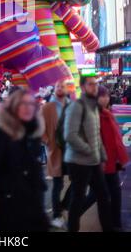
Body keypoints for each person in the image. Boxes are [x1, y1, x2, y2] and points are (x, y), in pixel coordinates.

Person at [0, 87, 49, 232]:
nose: (27, 108)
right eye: (22, 104)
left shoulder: (33, 134)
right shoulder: (2, 133)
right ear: (14, 106)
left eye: (30, 104)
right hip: (7, 206)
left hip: (34, 206)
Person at [64, 76, 112, 232]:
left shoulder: (93, 108)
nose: (95, 87)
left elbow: (96, 135)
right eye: (91, 85)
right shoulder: (76, 106)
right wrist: (90, 151)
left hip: (93, 161)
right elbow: (70, 135)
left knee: (103, 196)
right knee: (78, 199)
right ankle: (72, 228)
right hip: (78, 162)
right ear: (83, 87)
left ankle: (108, 227)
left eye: (95, 85)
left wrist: (102, 156)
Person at [82, 85, 129, 230]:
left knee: (113, 194)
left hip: (111, 163)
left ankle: (116, 225)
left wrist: (119, 159)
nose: (106, 98)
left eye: (107, 95)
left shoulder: (108, 114)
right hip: (99, 164)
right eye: (102, 95)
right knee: (100, 196)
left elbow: (115, 140)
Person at [42, 80, 71, 228]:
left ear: (67, 89)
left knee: (79, 180)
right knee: (57, 185)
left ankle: (62, 205)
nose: (60, 88)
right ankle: (56, 215)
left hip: (71, 151)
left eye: (62, 86)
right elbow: (40, 128)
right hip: (55, 151)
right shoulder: (47, 107)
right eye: (57, 86)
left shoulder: (72, 106)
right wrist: (47, 141)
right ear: (54, 89)